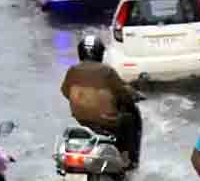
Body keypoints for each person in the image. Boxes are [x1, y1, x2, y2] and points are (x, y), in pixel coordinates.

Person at [60, 32, 143, 169]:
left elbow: (65, 91)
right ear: (100, 53)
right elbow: (123, 91)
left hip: (82, 121)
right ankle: (129, 162)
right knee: (129, 120)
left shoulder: (72, 70)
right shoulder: (107, 71)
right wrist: (136, 94)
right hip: (107, 123)